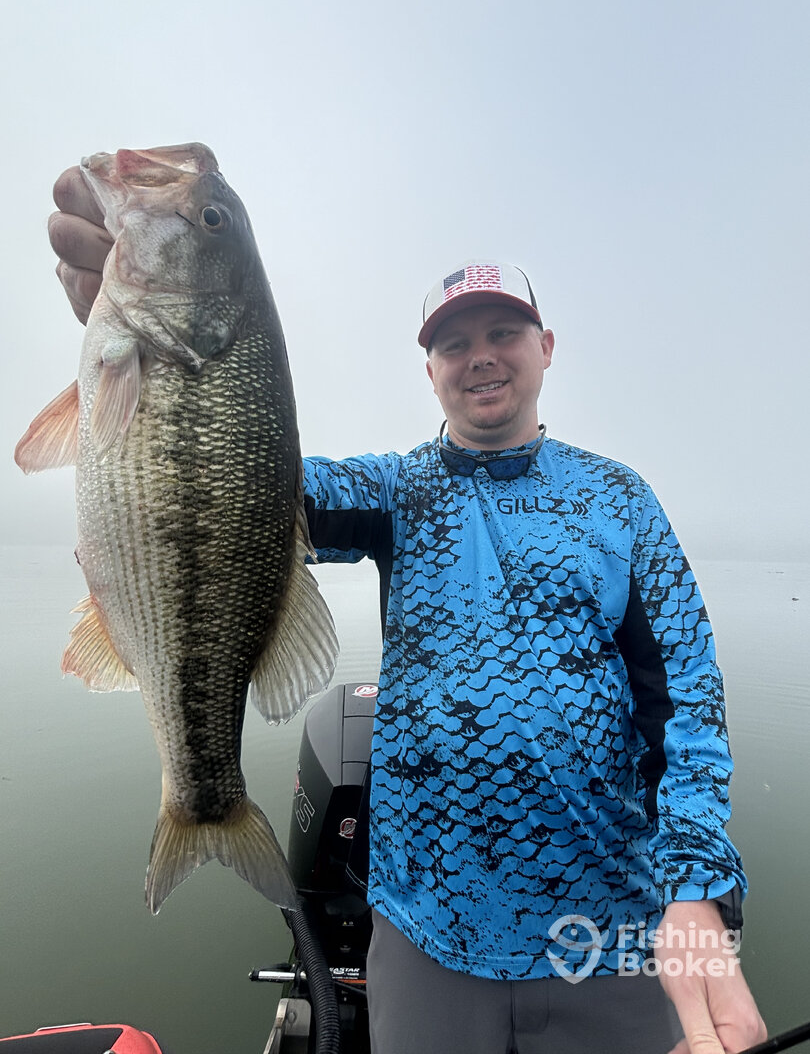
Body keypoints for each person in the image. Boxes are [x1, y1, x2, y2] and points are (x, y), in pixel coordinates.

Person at [49, 167, 766, 1054]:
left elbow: (688, 696)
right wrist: (154, 366)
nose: (480, 355)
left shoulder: (619, 500)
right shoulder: (395, 490)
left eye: (503, 332)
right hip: (426, 927)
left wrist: (697, 890)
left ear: (546, 347)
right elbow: (247, 486)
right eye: (454, 343)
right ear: (430, 371)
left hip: (608, 927)